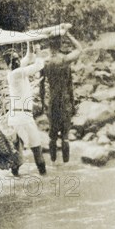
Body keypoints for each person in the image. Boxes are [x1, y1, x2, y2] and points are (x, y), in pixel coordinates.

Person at [6, 42, 46, 177]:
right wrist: (39, 49)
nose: (17, 61)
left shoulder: (14, 71)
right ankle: (44, 175)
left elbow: (28, 57)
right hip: (23, 117)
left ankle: (15, 178)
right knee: (36, 148)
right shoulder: (16, 73)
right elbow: (39, 65)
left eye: (17, 58)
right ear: (9, 63)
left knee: (17, 150)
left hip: (16, 116)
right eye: (14, 59)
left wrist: (30, 43)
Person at [42, 31, 82, 163]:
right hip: (65, 100)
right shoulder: (65, 60)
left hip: (52, 101)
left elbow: (41, 86)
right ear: (60, 44)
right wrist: (68, 34)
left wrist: (43, 103)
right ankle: (66, 165)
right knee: (65, 137)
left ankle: (53, 164)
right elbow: (79, 49)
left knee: (52, 137)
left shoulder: (45, 62)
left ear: (49, 45)